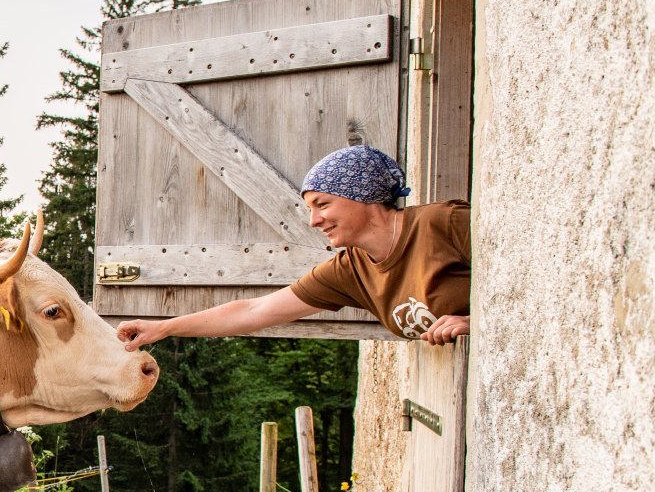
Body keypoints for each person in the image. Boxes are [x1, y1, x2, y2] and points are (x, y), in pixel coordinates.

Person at [117, 145, 470, 350]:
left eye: (323, 204)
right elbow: (254, 310)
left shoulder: (445, 223)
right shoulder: (350, 270)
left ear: (362, 195)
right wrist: (164, 327)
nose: (314, 221)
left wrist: (474, 322)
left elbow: (524, 279)